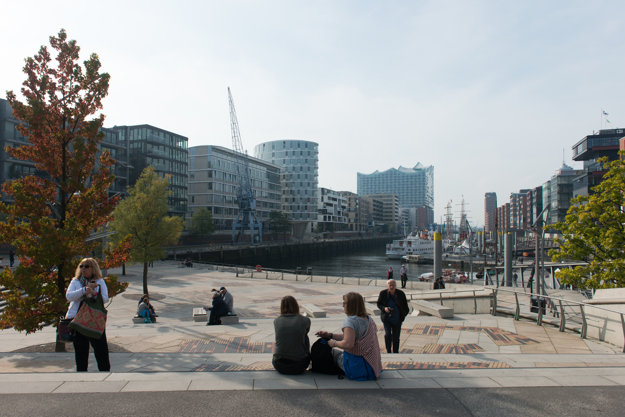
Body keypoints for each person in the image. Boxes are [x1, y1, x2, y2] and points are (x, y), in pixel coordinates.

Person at [315, 292, 382, 380]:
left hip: (357, 368)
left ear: (351, 305)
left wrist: (333, 343)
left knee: (327, 351)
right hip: (372, 367)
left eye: (344, 303)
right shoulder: (368, 319)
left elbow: (348, 344)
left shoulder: (350, 321)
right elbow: (351, 337)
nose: (343, 306)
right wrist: (330, 335)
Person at [65, 258, 110, 372]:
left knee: (101, 350)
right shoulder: (75, 281)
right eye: (81, 266)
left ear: (93, 268)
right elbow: (69, 296)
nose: (83, 269)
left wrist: (94, 293)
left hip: (94, 319)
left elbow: (105, 298)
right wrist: (85, 290)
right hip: (78, 320)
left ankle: (105, 373)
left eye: (86, 266)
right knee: (80, 351)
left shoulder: (99, 281)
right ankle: (81, 374)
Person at [272, 295, 311, 375]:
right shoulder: (305, 320)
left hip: (279, 365)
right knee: (304, 336)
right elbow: (306, 332)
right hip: (300, 366)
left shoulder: (276, 321)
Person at [377, 279, 409, 353]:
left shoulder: (401, 294)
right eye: (390, 285)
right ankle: (388, 350)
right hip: (387, 318)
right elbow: (379, 304)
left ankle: (395, 351)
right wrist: (384, 308)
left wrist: (402, 316)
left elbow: (406, 307)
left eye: (393, 285)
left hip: (397, 319)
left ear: (395, 285)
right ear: (387, 286)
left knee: (396, 337)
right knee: (388, 334)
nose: (392, 286)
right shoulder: (383, 293)